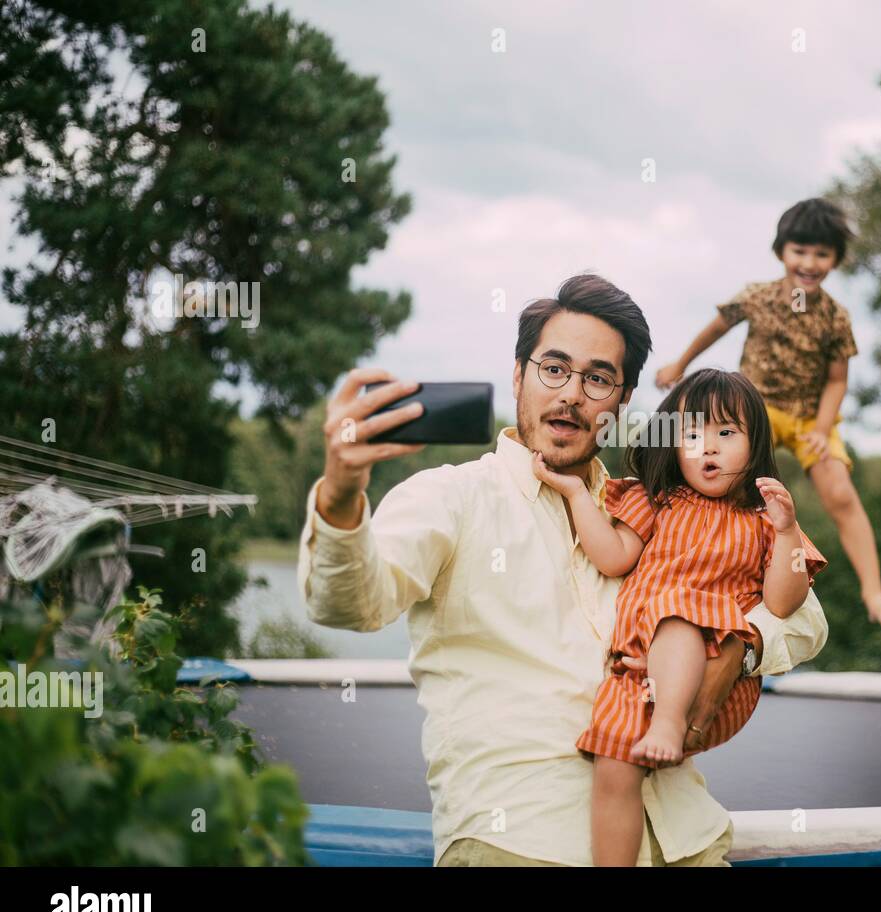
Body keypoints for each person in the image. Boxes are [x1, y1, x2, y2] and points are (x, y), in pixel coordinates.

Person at [297, 273, 830, 866]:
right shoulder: (449, 498)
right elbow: (348, 603)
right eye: (554, 368)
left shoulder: (658, 502)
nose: (572, 394)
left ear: (623, 402)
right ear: (520, 374)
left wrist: (741, 647)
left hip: (687, 839)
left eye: (598, 378)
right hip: (518, 839)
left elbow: (807, 621)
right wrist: (342, 496)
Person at [532, 368, 828, 865]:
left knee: (678, 608)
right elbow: (613, 556)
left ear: (755, 445)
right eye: (691, 434)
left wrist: (786, 533)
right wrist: (576, 494)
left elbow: (784, 603)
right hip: (636, 673)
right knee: (613, 766)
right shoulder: (658, 502)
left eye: (725, 433)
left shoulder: (762, 519)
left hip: (716, 679)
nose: (707, 447)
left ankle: (668, 725)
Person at [655, 197, 881, 629]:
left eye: (821, 254)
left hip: (812, 416)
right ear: (781, 252)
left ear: (834, 260)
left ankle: (874, 594)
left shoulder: (835, 317)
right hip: (757, 408)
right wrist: (680, 365)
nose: (809, 263)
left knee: (842, 495)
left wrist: (823, 428)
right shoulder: (758, 297)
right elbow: (716, 328)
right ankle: (705, 559)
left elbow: (836, 381)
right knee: (732, 478)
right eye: (800, 251)